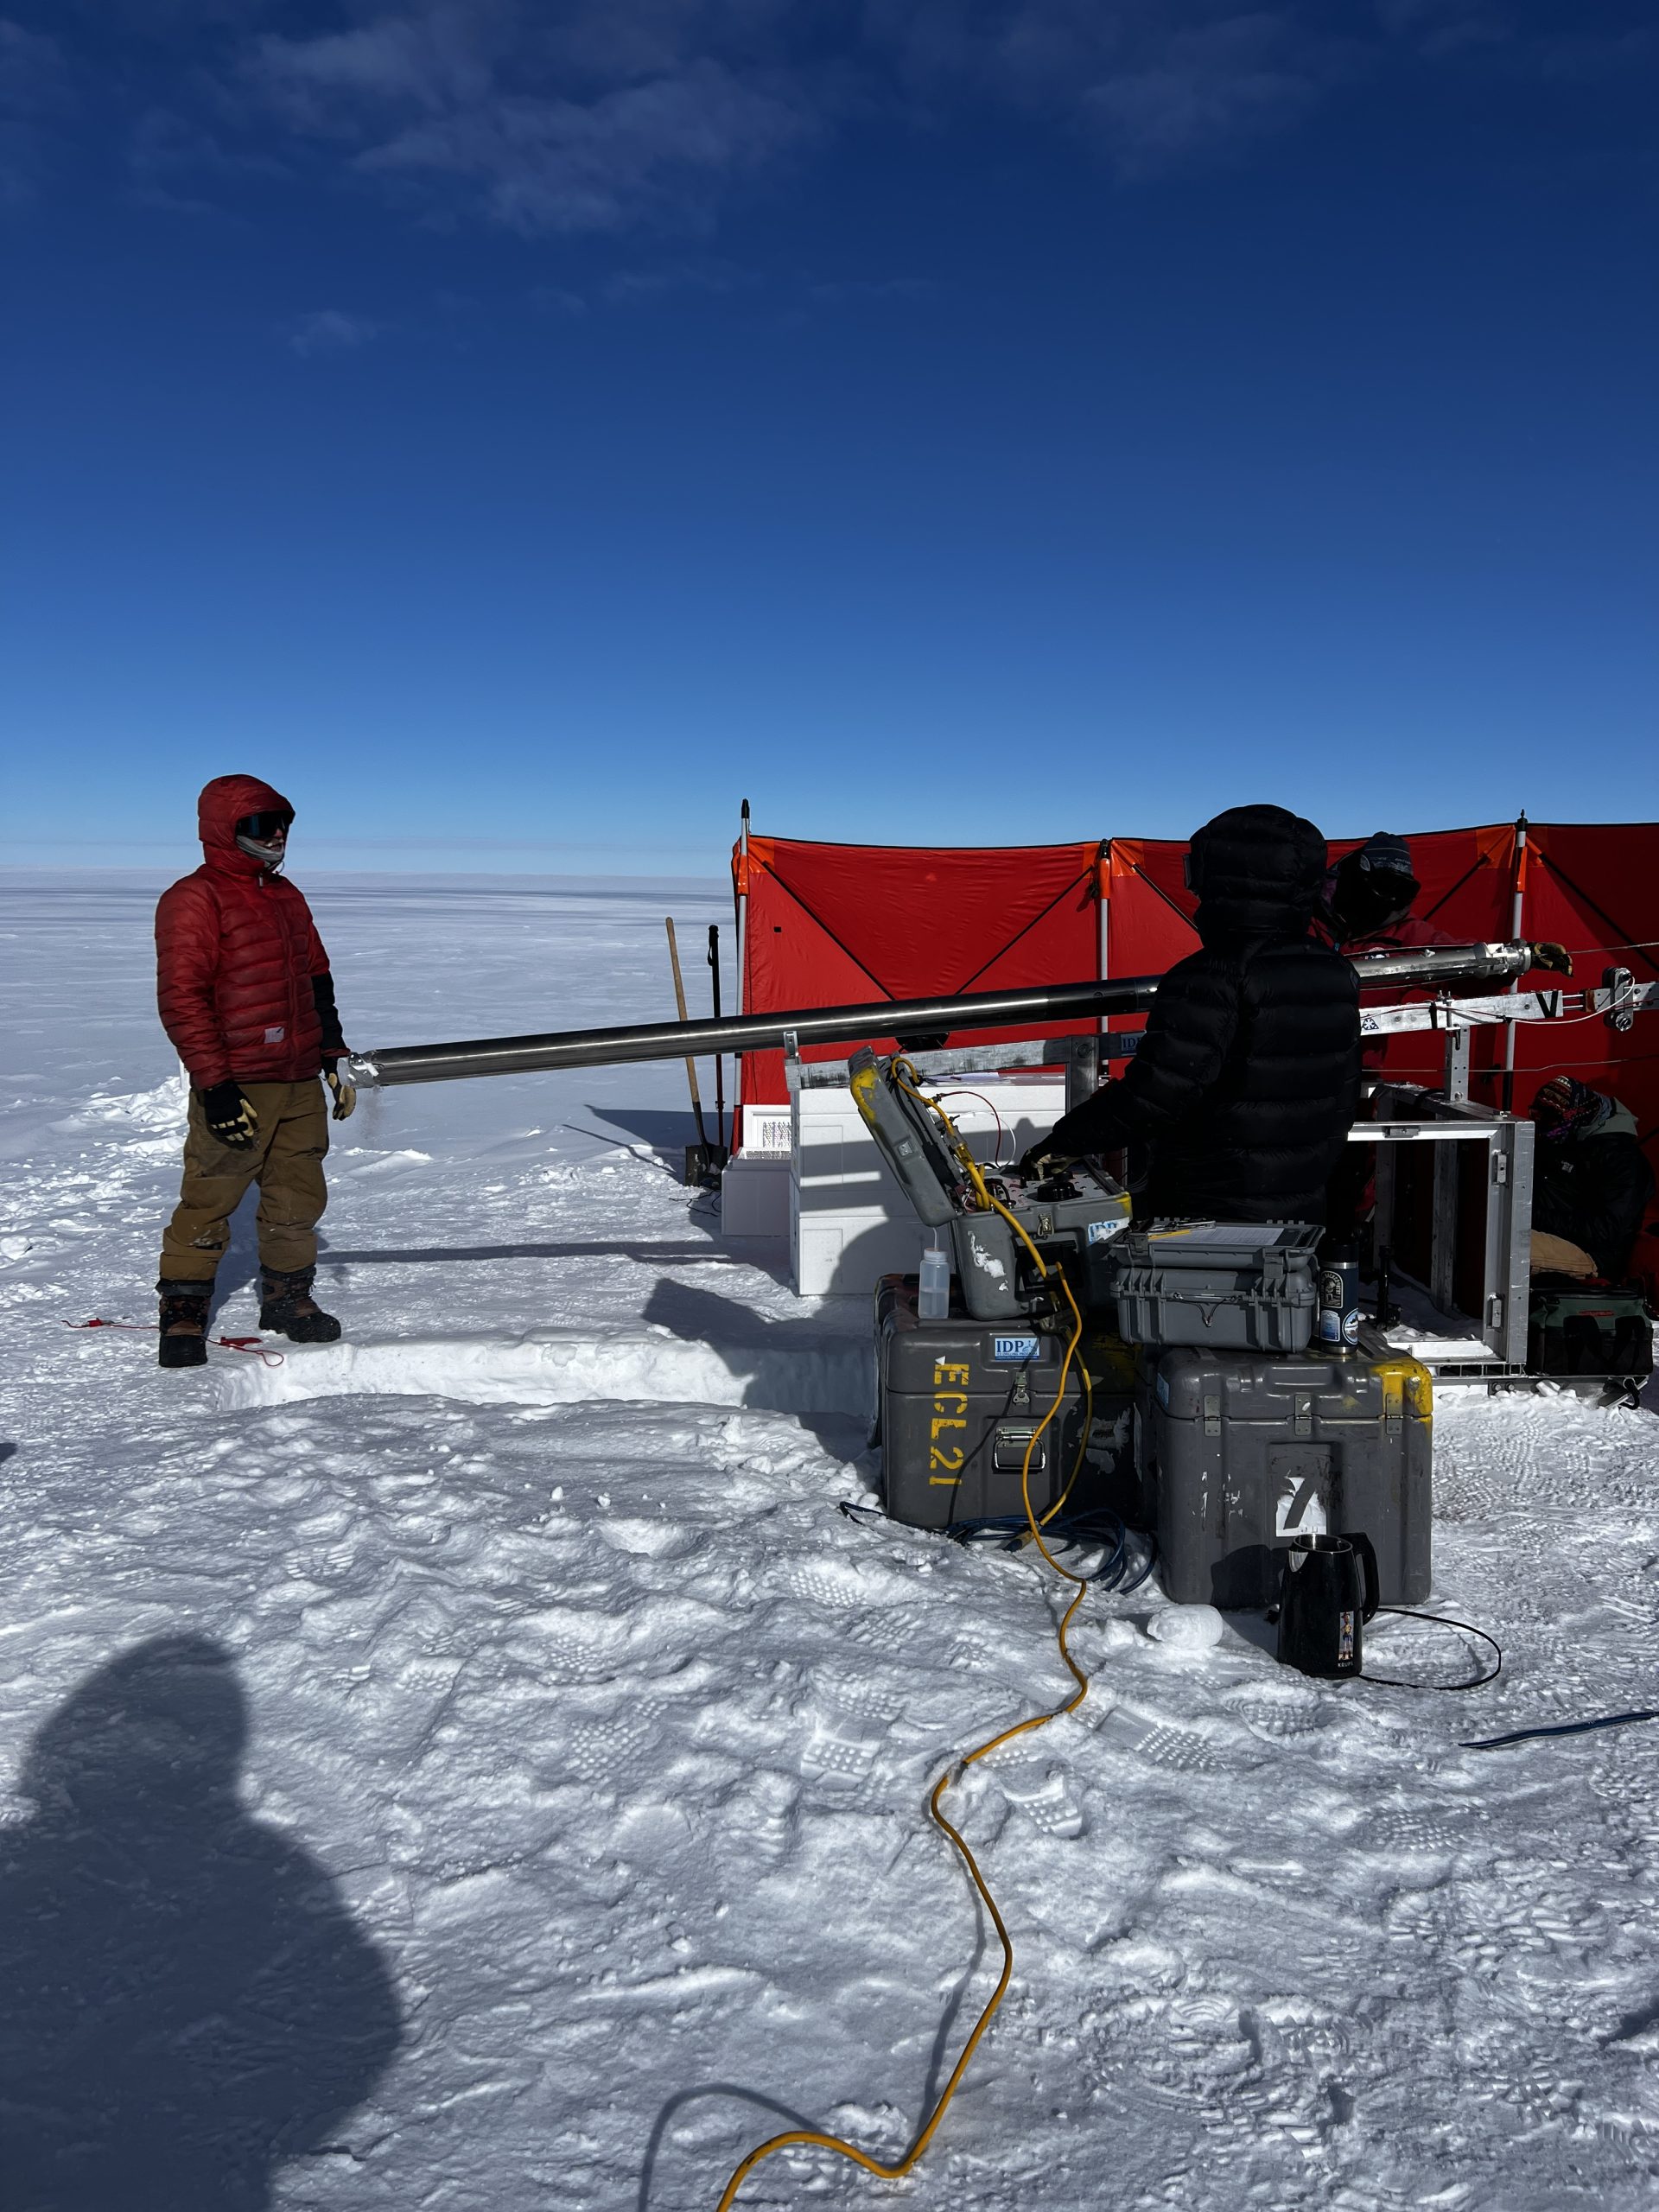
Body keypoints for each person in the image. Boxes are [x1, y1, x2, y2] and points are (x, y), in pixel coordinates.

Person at [1030, 804, 1360, 1224]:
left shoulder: (1211, 976)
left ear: (1221, 879)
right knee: (1284, 1288)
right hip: (1300, 1199)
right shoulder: (1336, 970)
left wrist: (1063, 1141)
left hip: (1209, 1205)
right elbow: (1343, 1096)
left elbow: (1155, 1095)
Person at [154, 776, 356, 1368]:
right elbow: (183, 999)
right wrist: (214, 1086)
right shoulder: (194, 898)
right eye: (258, 824)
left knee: (298, 1192)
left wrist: (333, 1056)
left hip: (297, 1077)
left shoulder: (287, 895)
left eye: (282, 822)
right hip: (239, 1080)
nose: (275, 834)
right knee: (210, 1194)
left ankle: (287, 1300)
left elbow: (317, 980)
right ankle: (184, 1311)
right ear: (224, 829)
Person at [1529, 1075, 1654, 1282]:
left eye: (1550, 1118)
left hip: (1592, 1255)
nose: (1541, 1125)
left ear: (1578, 1115)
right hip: (1543, 1232)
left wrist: (1529, 1216)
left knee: (1501, 1247)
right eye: (1535, 1114)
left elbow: (1605, 1231)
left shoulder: (1624, 1162)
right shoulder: (1563, 1138)